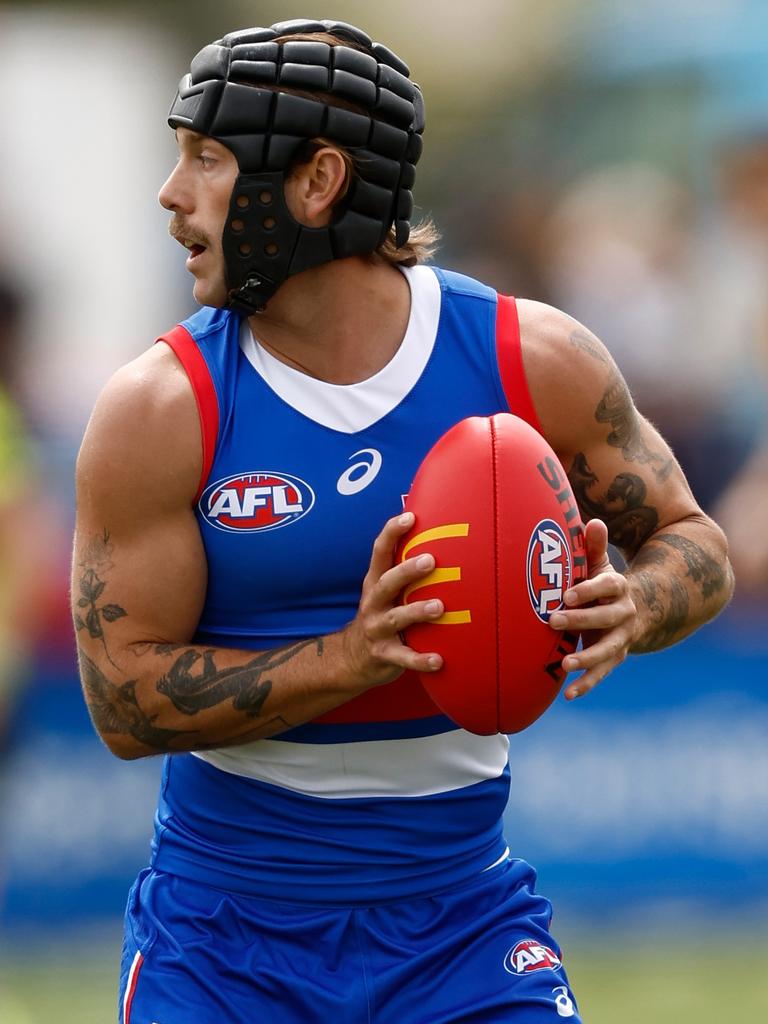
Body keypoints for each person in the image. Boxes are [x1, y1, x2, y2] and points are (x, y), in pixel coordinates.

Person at [71, 19, 734, 1024]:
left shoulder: (530, 358)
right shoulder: (162, 408)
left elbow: (700, 544)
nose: (172, 195)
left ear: (316, 180)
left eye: (206, 158)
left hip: (464, 926)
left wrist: (631, 602)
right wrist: (354, 654)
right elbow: (122, 704)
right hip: (221, 942)